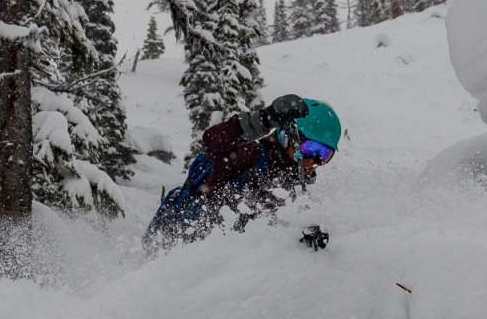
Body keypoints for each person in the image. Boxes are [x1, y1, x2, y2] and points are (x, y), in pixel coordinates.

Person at [142, 95, 341, 254]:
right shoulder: (249, 155)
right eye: (310, 147)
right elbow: (212, 139)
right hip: (178, 245)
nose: (313, 161)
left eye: (325, 154)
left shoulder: (298, 191)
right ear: (289, 135)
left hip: (223, 272)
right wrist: (265, 118)